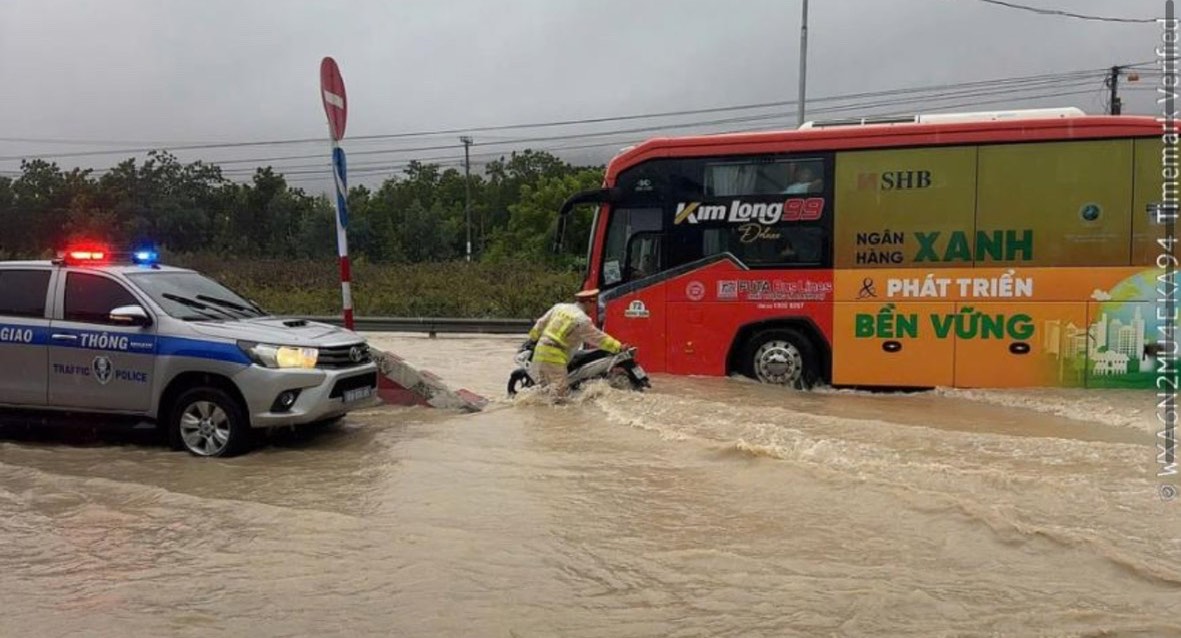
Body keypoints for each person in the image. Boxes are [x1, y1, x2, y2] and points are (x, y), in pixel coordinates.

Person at [525, 289, 627, 399]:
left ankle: (535, 410)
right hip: (555, 357)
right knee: (560, 394)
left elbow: (540, 323)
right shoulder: (582, 320)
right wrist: (619, 347)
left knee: (544, 390)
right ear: (588, 302)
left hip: (540, 351)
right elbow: (599, 339)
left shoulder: (559, 307)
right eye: (594, 304)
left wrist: (533, 338)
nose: (594, 308)